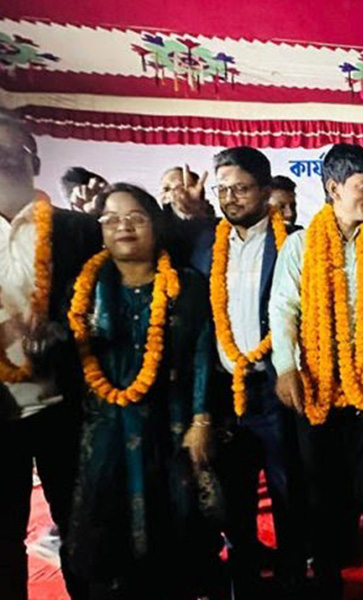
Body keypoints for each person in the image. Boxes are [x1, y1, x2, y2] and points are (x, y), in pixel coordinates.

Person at [65, 183, 220, 599]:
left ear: (156, 225)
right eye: (112, 219)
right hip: (106, 430)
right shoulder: (84, 288)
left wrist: (201, 419)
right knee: (108, 537)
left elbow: (202, 353)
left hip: (170, 426)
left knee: (176, 530)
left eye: (136, 217)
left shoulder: (185, 286)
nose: (124, 227)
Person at [270, 143, 363, 600]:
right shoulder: (300, 245)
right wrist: (286, 367)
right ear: (334, 188)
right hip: (316, 387)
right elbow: (283, 309)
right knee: (321, 497)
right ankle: (327, 585)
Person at [187, 146, 306, 597]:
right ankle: (246, 586)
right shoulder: (203, 243)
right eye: (223, 190)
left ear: (265, 189)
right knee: (234, 503)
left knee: (288, 494)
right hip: (225, 393)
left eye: (241, 188)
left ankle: (293, 582)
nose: (231, 198)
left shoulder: (292, 241)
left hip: (276, 389)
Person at [0, 109, 101, 600]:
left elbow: (100, 305)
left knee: (81, 530)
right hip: (1, 409)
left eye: (12, 149)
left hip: (66, 405)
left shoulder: (77, 229)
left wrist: (61, 331)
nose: (3, 158)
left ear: (35, 159)